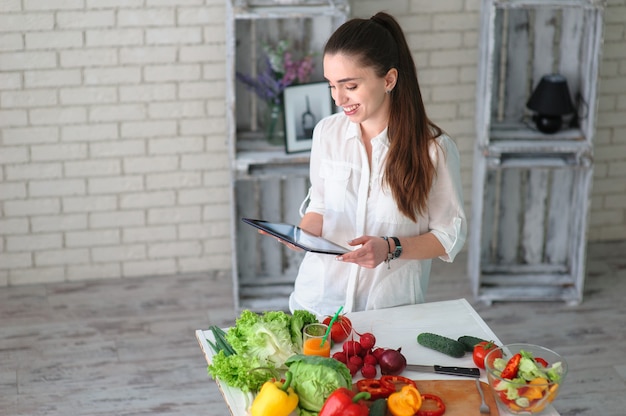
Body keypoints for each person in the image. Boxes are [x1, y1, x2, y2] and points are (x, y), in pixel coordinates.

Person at [287, 11, 467, 316]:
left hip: (388, 310)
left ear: (389, 79)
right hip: (317, 304)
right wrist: (300, 235)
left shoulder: (434, 150)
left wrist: (391, 247)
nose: (338, 98)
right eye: (331, 85)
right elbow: (319, 206)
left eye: (350, 86)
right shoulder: (326, 133)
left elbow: (449, 236)